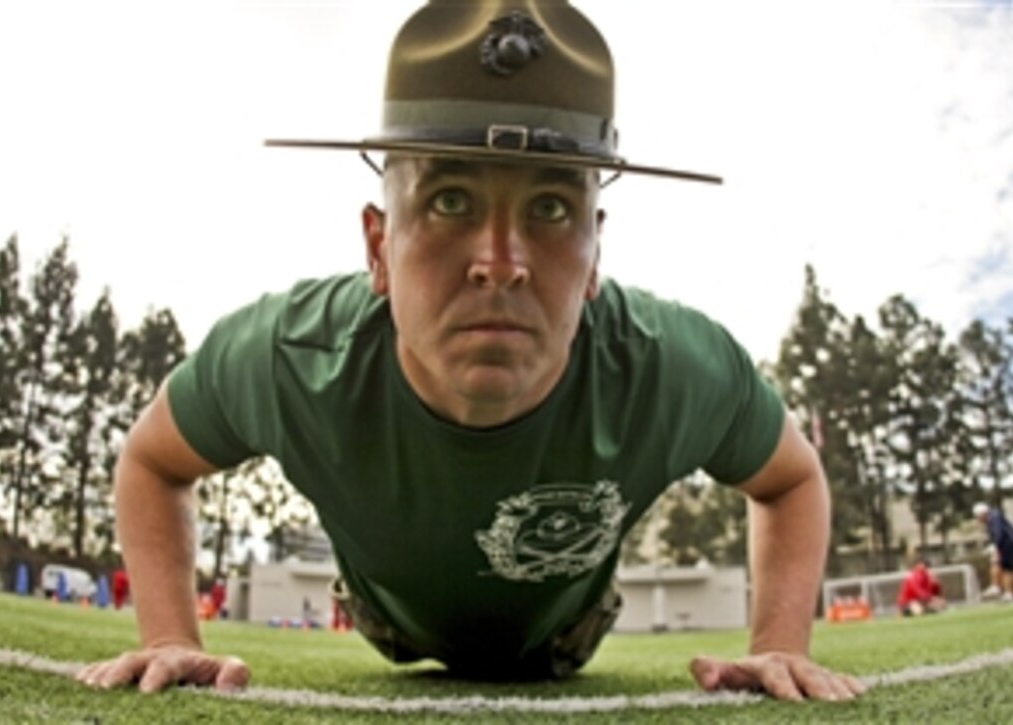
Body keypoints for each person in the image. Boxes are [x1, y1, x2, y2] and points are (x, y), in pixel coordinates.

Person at [76, 0, 863, 701]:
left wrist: (780, 644)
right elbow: (152, 458)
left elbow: (792, 477)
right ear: (378, 246)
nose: (501, 260)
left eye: (553, 205)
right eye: (450, 200)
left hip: (564, 635)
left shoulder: (675, 364)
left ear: (595, 255)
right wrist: (170, 633)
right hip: (389, 623)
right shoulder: (288, 352)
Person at [973, 502, 1013, 602]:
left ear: (982, 514)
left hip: (1007, 544)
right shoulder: (994, 517)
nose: (978, 519)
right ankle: (1007, 592)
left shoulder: (994, 518)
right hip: (1009, 544)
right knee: (1006, 568)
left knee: (1000, 565)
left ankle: (997, 587)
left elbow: (999, 533)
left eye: (978, 516)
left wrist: (995, 547)